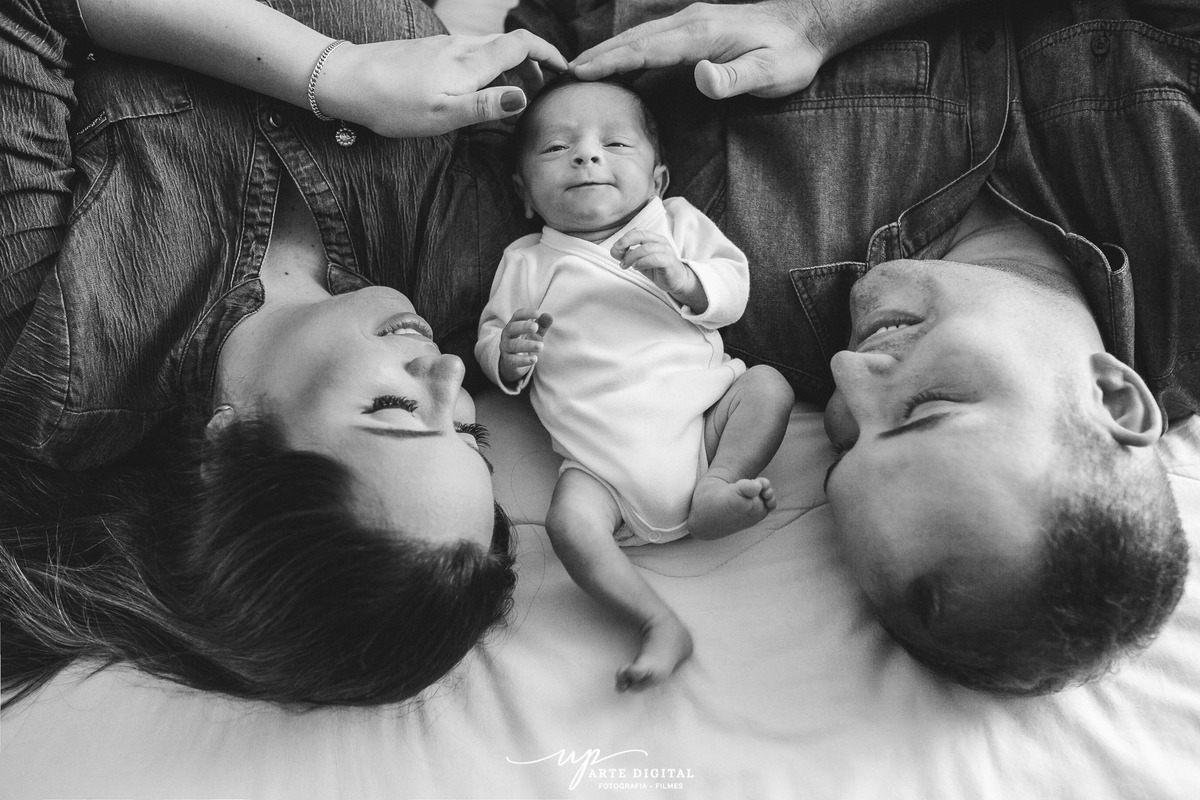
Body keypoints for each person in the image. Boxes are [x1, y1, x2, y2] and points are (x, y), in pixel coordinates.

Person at [505, 0, 1195, 694]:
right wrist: (822, 19)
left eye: (843, 441)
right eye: (929, 406)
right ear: (1114, 398)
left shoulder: (732, 311)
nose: (848, 372)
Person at [1, 0, 568, 707]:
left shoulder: (55, 348)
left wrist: (338, 75)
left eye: (394, 407)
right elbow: (557, 68)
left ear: (228, 446)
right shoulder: (471, 267)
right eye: (466, 430)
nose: (450, 374)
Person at [475, 77, 794, 689]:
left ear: (658, 180)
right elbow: (491, 334)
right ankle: (656, 622)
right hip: (598, 462)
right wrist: (506, 355)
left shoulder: (675, 225)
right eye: (556, 148)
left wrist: (684, 279)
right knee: (569, 526)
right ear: (524, 193)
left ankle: (719, 485)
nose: (586, 156)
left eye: (615, 144)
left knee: (768, 386)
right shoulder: (526, 260)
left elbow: (733, 285)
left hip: (703, 419)